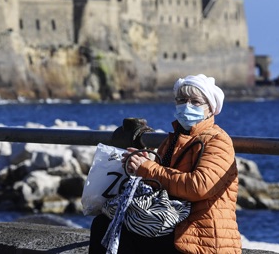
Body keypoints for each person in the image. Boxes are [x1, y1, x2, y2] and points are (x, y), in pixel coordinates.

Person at [89, 74, 242, 253]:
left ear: (210, 108)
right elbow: (158, 181)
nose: (187, 106)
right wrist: (139, 166)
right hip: (172, 222)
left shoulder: (218, 141)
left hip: (199, 233)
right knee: (105, 224)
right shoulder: (172, 140)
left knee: (115, 231)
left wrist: (148, 168)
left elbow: (199, 186)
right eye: (182, 100)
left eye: (195, 102)